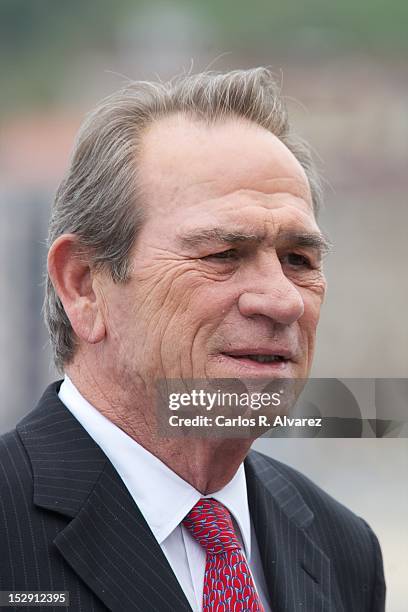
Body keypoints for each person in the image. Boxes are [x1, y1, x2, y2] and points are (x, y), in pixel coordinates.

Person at [0, 68, 385, 611]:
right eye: (223, 255)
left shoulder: (342, 548)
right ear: (84, 285)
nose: (283, 301)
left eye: (299, 260)